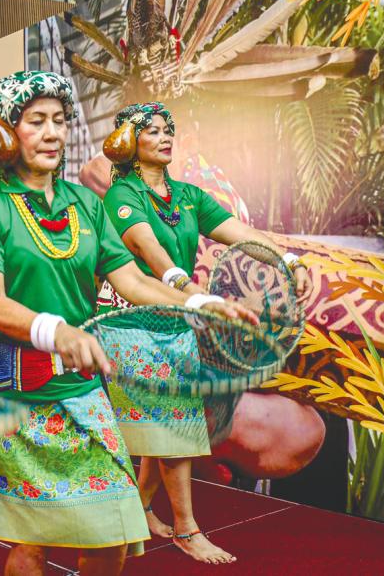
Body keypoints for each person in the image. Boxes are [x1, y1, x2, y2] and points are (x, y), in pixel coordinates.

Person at [0, 71, 256, 576]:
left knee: (113, 531)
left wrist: (197, 304)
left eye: (59, 121)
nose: (52, 133)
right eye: (35, 122)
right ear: (5, 132)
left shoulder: (85, 203)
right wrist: (59, 331)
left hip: (79, 384)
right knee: (35, 542)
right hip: (14, 394)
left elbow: (134, 280)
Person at [101, 102, 312, 565]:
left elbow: (244, 234)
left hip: (180, 320)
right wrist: (189, 290)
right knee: (174, 419)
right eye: (152, 131)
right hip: (134, 318)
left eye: (167, 130)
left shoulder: (189, 196)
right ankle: (185, 529)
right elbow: (149, 250)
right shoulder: (122, 196)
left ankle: (138, 509)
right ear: (129, 143)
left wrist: (286, 259)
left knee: (166, 418)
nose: (164, 137)